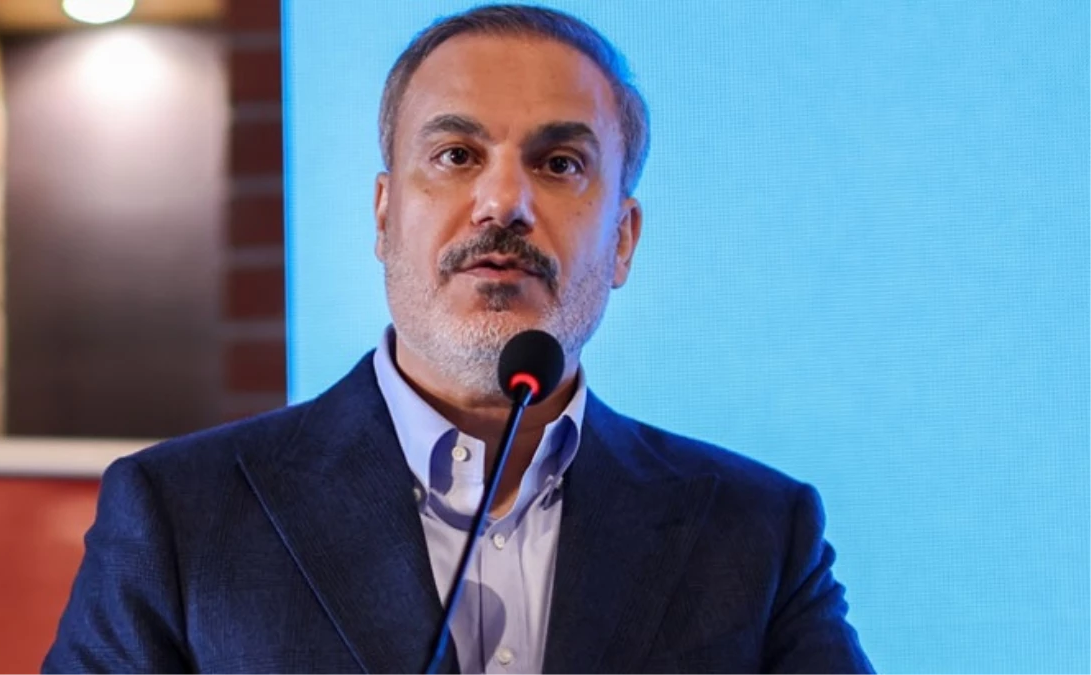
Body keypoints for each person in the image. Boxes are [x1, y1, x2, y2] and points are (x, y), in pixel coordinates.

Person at [45, 4, 874, 673]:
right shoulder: (181, 517)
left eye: (560, 163)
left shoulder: (758, 535)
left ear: (623, 240)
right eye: (455, 154)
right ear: (383, 217)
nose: (504, 202)